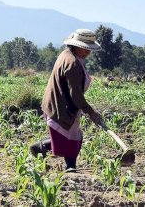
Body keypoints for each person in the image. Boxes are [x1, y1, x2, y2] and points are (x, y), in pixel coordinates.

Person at [30, 29, 105, 172]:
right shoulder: (73, 63)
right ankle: (70, 166)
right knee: (72, 138)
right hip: (62, 105)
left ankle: (41, 148)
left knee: (69, 137)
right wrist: (91, 112)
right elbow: (75, 95)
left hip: (59, 102)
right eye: (86, 48)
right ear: (76, 46)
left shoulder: (66, 54)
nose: (89, 52)